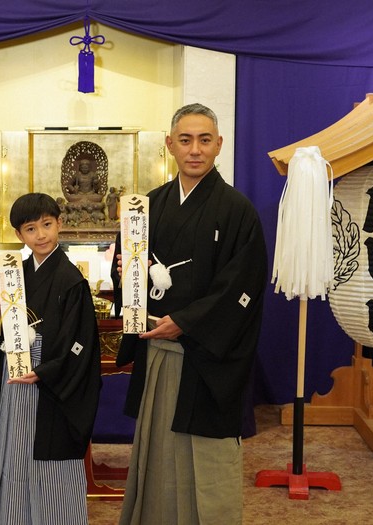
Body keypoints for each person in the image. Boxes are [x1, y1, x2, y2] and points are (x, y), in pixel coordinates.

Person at [112, 103, 268, 525]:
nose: (194, 150)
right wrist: (125, 273)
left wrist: (187, 321)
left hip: (205, 359)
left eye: (204, 140)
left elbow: (243, 285)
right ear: (169, 145)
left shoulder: (237, 211)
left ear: (219, 145)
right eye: (185, 140)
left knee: (206, 458)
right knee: (157, 452)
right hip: (156, 351)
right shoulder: (147, 206)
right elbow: (128, 268)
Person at [0, 193, 102, 525]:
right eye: (31, 229)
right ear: (19, 235)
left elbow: (81, 343)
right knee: (12, 453)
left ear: (59, 223)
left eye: (47, 225)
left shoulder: (71, 280)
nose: (41, 235)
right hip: (15, 373)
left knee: (50, 460)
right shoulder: (12, 274)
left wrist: (46, 371)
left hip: (51, 381)